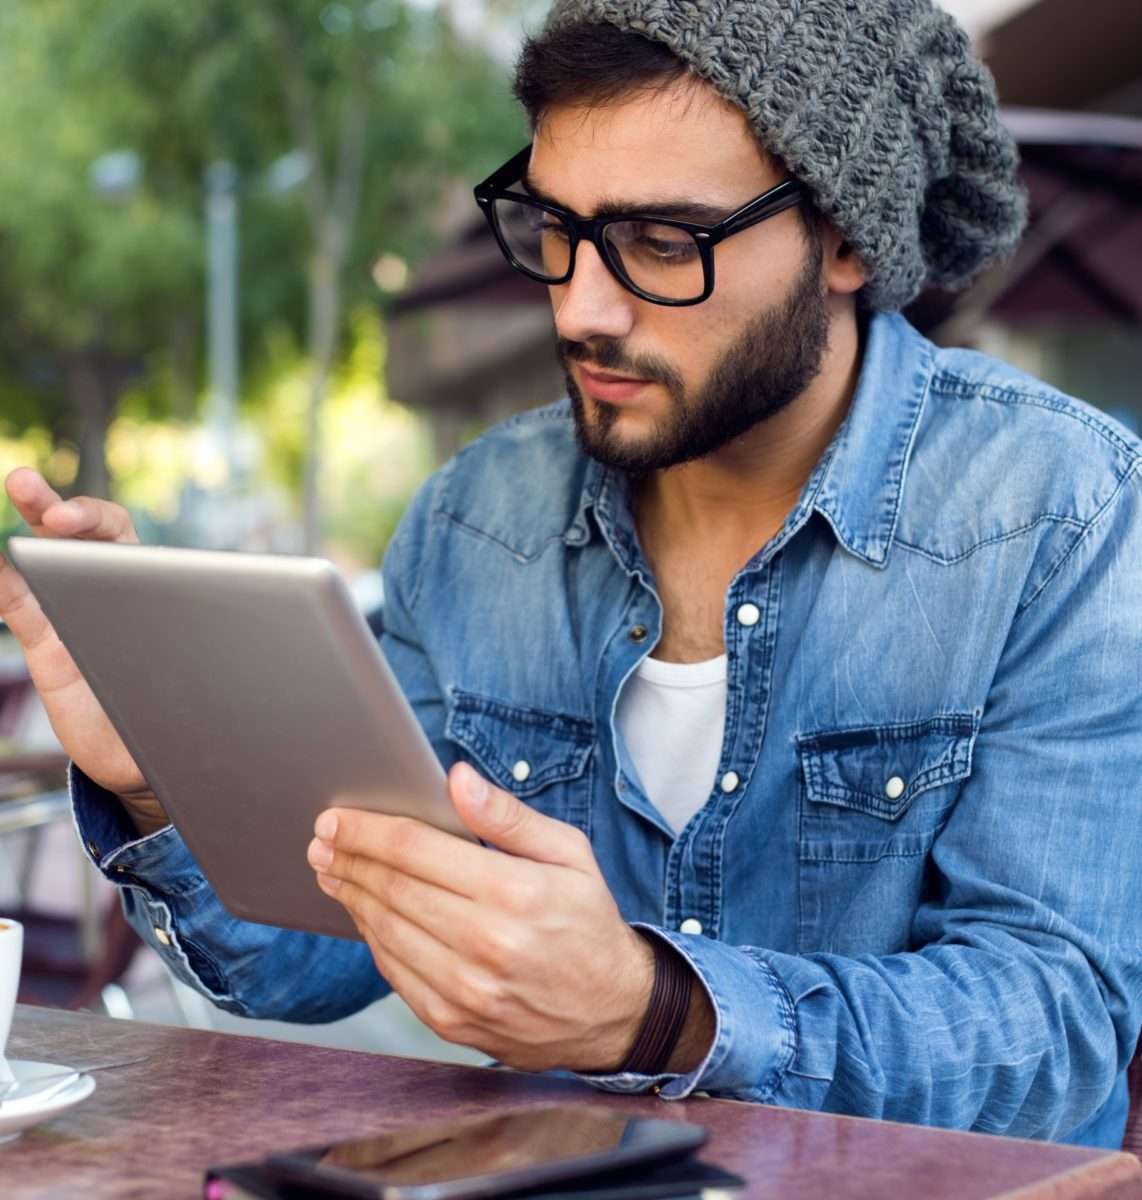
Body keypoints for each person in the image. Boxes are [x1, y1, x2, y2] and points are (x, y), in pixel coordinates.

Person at [2, 0, 1140, 1149]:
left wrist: (654, 1014)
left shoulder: (1057, 509)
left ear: (844, 239)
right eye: (556, 228)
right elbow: (321, 956)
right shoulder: (477, 517)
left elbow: (1054, 1030)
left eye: (662, 243)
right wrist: (162, 777)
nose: (580, 306)